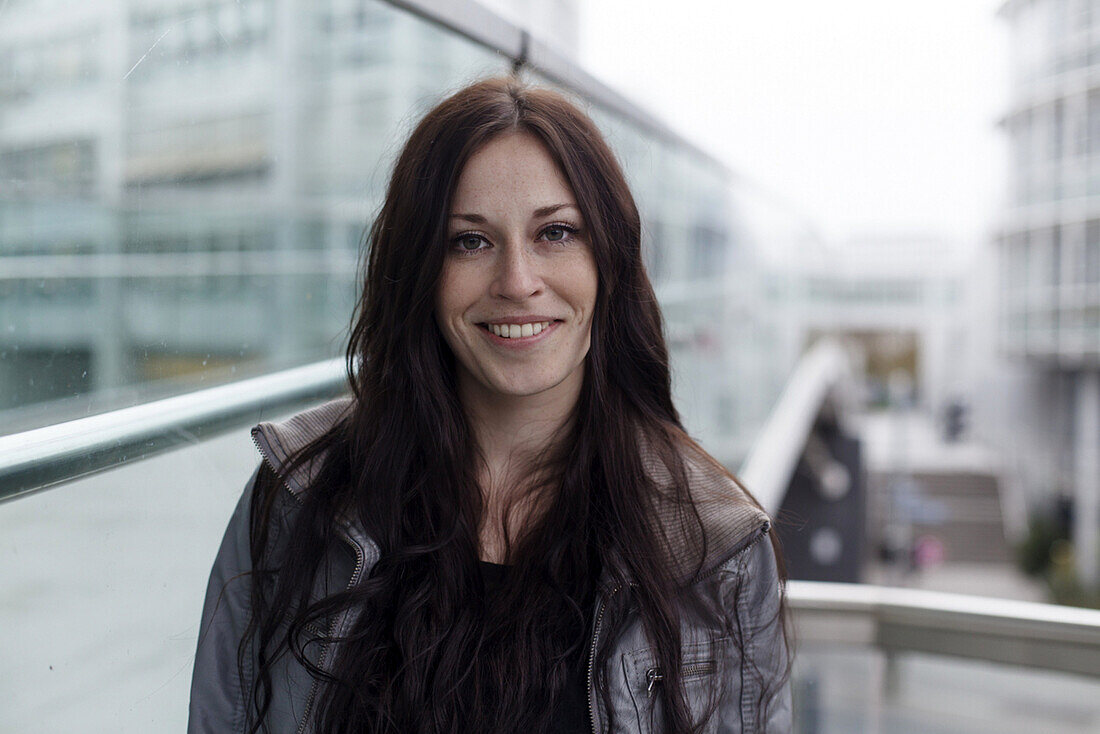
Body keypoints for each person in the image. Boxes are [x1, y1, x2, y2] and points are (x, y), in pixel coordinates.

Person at [187, 76, 791, 734]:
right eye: (470, 241)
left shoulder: (713, 542)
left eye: (555, 233)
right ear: (419, 269)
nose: (518, 282)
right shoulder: (299, 494)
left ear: (609, 262)